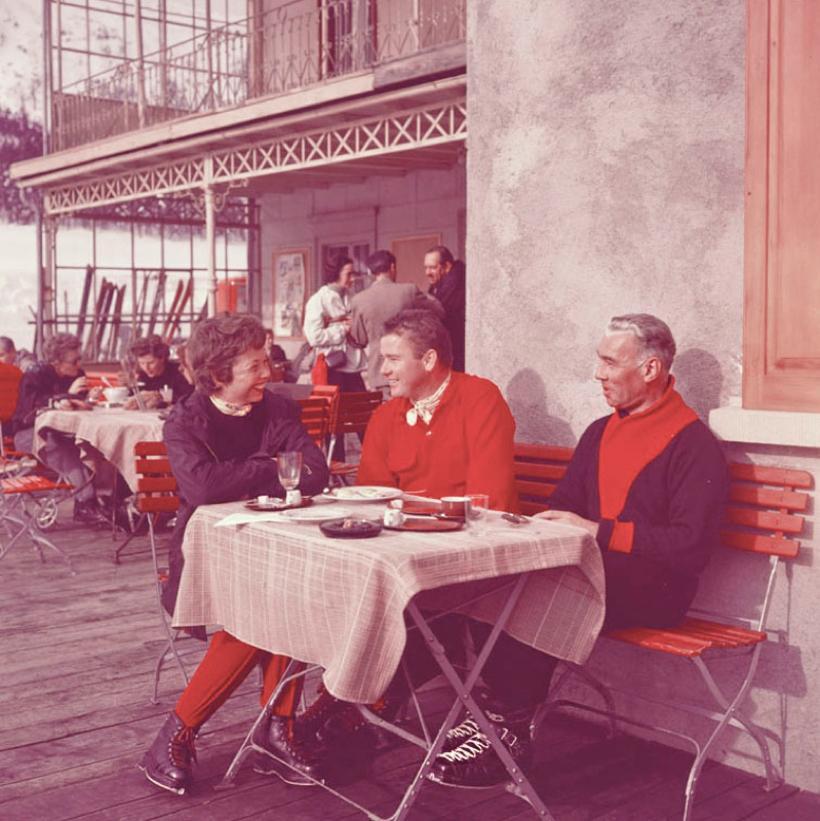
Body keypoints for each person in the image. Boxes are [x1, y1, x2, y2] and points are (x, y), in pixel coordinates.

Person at [429, 313, 729, 789]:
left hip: (657, 588)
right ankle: (500, 720)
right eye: (600, 361)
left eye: (610, 362)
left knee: (539, 594)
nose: (599, 374)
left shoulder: (693, 445)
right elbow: (566, 505)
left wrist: (597, 531)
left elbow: (688, 547)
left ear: (650, 369)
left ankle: (505, 730)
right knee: (500, 581)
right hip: (595, 572)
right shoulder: (598, 432)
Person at [293, 308, 518, 755]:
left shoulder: (479, 398)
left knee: (390, 606)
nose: (382, 369)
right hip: (406, 558)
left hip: (467, 566)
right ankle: (353, 701)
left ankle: (354, 703)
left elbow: (489, 500)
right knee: (333, 590)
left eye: (393, 359)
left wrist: (405, 510)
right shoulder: (389, 414)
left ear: (429, 360)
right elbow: (370, 496)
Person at [140, 314, 330, 796]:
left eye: (266, 360)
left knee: (286, 600)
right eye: (255, 364)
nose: (268, 372)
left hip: (276, 548)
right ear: (219, 372)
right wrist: (270, 466)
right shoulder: (186, 421)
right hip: (209, 555)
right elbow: (201, 486)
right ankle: (176, 735)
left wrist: (246, 473)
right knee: (260, 617)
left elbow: (314, 471)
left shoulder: (278, 409)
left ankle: (276, 730)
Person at [10, 332, 107, 524]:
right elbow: (29, 411)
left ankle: (104, 500)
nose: (79, 365)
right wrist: (65, 396)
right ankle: (86, 502)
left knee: (92, 442)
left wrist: (88, 399)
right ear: (55, 362)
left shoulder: (77, 374)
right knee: (63, 447)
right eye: (74, 360)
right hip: (29, 434)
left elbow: (79, 404)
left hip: (65, 433)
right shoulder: (34, 375)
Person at [349, 250, 443, 394]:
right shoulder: (409, 291)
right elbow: (439, 311)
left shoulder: (359, 300)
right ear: (392, 267)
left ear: (371, 272)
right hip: (409, 368)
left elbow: (359, 340)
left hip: (380, 372)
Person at [303, 254, 367, 459]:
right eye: (348, 273)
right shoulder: (318, 300)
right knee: (334, 424)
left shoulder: (350, 297)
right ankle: (336, 467)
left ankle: (375, 463)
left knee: (365, 418)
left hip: (352, 368)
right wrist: (342, 330)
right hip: (332, 368)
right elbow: (314, 336)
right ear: (335, 274)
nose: (353, 278)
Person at [124, 334, 193, 409]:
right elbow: (131, 397)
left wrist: (159, 397)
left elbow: (189, 398)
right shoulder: (141, 375)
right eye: (142, 363)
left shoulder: (180, 372)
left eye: (151, 363)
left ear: (162, 358)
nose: (146, 368)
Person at [424, 246, 465, 372]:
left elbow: (442, 314)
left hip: (456, 353)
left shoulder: (456, 287)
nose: (427, 272)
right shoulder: (440, 286)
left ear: (446, 266)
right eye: (425, 267)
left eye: (432, 267)